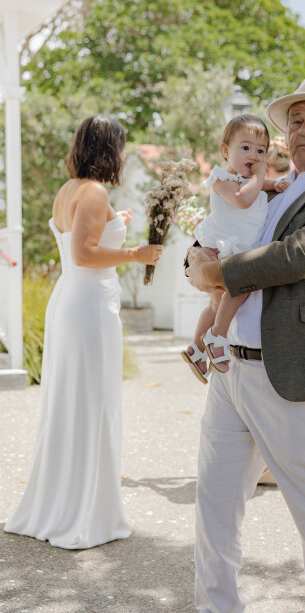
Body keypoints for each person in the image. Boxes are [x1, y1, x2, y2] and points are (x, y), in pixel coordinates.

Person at [185, 73, 305, 612]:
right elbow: (217, 236)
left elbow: (304, 252)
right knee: (215, 503)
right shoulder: (263, 184)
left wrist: (219, 272)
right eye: (296, 121)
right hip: (230, 372)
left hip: (293, 372)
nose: (304, 130)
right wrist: (195, 260)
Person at [4, 115, 163, 549]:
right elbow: (85, 253)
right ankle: (85, 515)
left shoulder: (69, 189)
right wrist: (136, 253)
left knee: (72, 403)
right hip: (89, 306)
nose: (124, 155)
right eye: (121, 146)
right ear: (109, 149)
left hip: (70, 301)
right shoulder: (94, 191)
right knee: (92, 404)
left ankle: (60, 504)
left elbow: (82, 237)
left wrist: (116, 220)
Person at [181, 115, 288, 383]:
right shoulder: (222, 179)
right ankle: (217, 337)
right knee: (238, 289)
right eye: (245, 148)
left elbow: (259, 187)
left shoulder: (250, 180)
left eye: (260, 151)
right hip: (225, 246)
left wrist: (274, 184)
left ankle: (196, 349)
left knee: (216, 302)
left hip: (238, 246)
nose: (254, 155)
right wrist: (262, 175)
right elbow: (242, 200)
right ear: (226, 150)